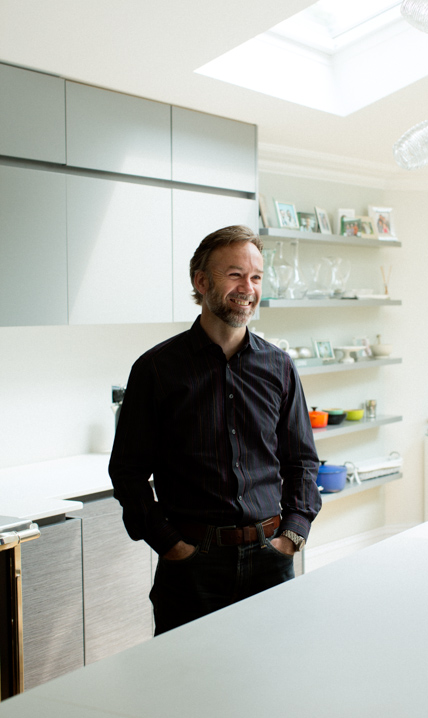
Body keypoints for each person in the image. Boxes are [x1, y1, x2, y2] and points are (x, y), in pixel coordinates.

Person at [109, 224, 322, 635]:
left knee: (273, 682)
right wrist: (171, 546)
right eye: (235, 274)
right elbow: (128, 472)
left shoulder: (279, 367)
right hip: (192, 567)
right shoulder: (156, 369)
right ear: (201, 281)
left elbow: (302, 461)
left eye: (256, 277)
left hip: (270, 558)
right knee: (187, 689)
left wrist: (292, 535)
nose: (248, 287)